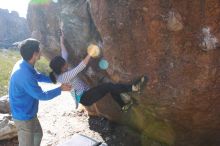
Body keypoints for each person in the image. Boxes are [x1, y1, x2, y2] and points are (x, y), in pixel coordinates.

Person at [49, 30, 148, 111]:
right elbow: (80, 67)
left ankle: (123, 106)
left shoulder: (60, 71)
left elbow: (64, 54)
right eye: (65, 63)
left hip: (86, 94)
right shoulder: (64, 77)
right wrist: (90, 53)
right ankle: (134, 88)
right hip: (85, 97)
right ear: (62, 67)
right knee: (108, 86)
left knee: (109, 87)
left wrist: (61, 39)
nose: (67, 63)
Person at [9, 38, 72, 146]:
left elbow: (37, 76)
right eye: (39, 49)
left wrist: (54, 79)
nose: (41, 52)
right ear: (35, 54)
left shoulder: (25, 64)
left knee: (38, 134)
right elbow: (42, 95)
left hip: (29, 112)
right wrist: (60, 89)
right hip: (23, 117)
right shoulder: (24, 75)